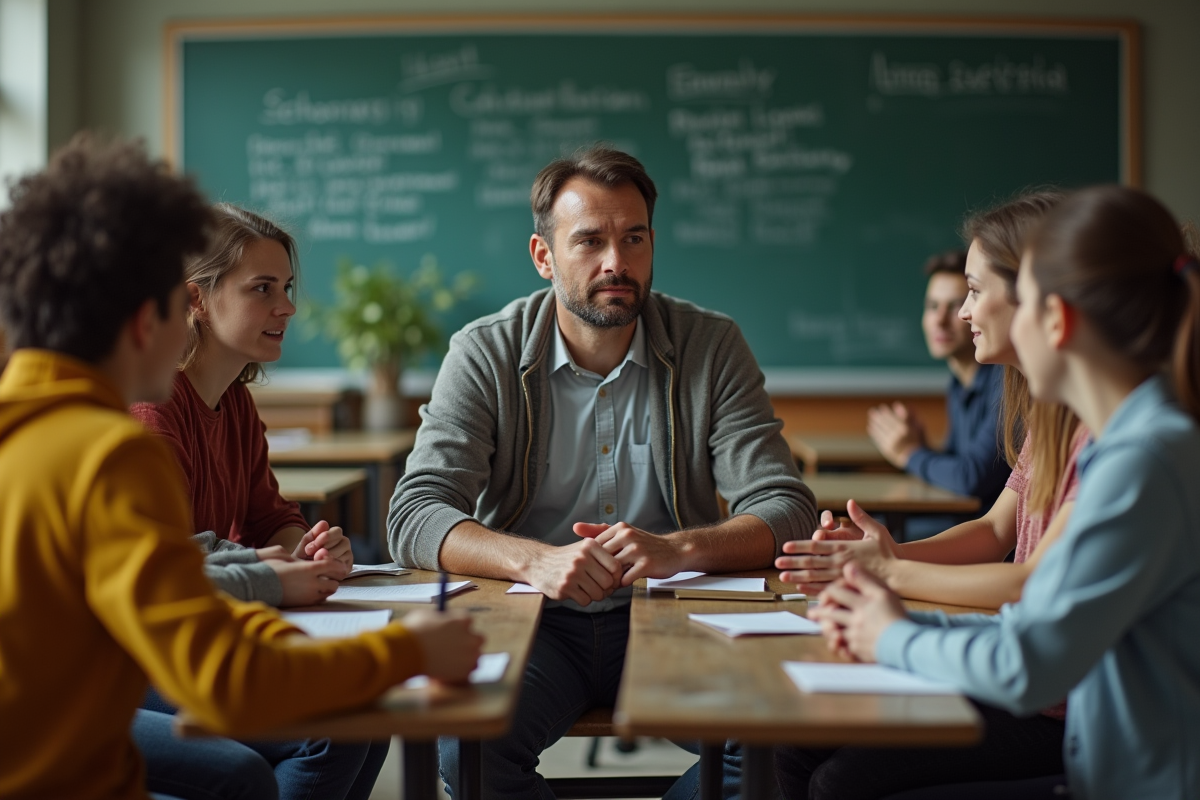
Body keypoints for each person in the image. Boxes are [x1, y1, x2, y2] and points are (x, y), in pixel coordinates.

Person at [0, 135, 483, 800]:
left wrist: (276, 577)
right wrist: (410, 652)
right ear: (155, 316)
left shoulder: (28, 420)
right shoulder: (107, 451)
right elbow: (222, 680)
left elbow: (201, 579)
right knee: (255, 771)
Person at [387, 144, 817, 798]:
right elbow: (415, 514)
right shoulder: (484, 351)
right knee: (467, 749)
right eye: (589, 241)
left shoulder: (712, 344)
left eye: (634, 238)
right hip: (537, 620)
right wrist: (535, 560)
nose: (616, 262)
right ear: (543, 256)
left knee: (774, 745)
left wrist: (681, 548)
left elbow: (786, 506)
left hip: (671, 614)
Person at [810, 185, 1200, 800]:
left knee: (842, 784)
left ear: (1055, 320)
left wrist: (891, 631)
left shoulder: (1143, 459)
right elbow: (1037, 625)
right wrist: (896, 615)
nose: (970, 320)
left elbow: (1032, 665)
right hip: (1100, 758)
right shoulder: (1121, 444)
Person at [774, 191, 1085, 799]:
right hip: (1022, 668)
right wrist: (888, 554)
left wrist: (891, 573)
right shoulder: (1045, 413)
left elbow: (1031, 583)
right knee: (794, 743)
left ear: (1032, 295)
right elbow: (998, 528)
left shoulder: (1101, 429)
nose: (964, 312)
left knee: (840, 780)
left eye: (972, 290)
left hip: (1064, 708)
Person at [128, 204, 388, 799]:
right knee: (336, 730)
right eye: (262, 289)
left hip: (201, 631)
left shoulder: (237, 406)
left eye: (287, 288)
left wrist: (311, 546)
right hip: (135, 653)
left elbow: (270, 516)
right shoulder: (154, 410)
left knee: (375, 716)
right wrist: (280, 575)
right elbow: (164, 568)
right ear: (196, 299)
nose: (288, 307)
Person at [867, 250, 1010, 522]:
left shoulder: (1006, 382)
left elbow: (971, 478)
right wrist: (923, 449)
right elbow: (958, 462)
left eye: (955, 305)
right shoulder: (957, 383)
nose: (940, 320)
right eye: (932, 306)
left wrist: (909, 453)